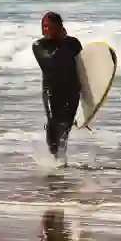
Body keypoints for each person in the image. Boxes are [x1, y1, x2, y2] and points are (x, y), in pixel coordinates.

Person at [32, 12, 82, 164]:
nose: (46, 30)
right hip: (52, 91)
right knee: (53, 123)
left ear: (60, 27)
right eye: (44, 27)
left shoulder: (73, 43)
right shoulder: (39, 46)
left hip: (72, 90)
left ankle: (62, 161)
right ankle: (56, 159)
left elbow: (84, 66)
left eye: (50, 27)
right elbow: (51, 62)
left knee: (66, 126)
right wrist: (62, 42)